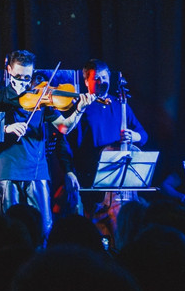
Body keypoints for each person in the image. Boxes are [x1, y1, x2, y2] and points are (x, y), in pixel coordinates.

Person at [0, 50, 92, 237]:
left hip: (37, 172)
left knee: (44, 228)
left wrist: (79, 110)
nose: (23, 82)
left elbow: (64, 127)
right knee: (11, 230)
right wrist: (6, 128)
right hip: (9, 172)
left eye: (27, 77)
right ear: (9, 70)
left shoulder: (41, 98)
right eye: (18, 76)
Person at [63, 59, 149, 214]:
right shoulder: (79, 106)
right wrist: (69, 171)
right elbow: (64, 141)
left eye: (104, 77)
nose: (101, 82)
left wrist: (134, 136)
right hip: (90, 175)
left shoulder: (120, 103)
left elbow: (143, 135)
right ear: (86, 82)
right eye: (96, 78)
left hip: (118, 176)